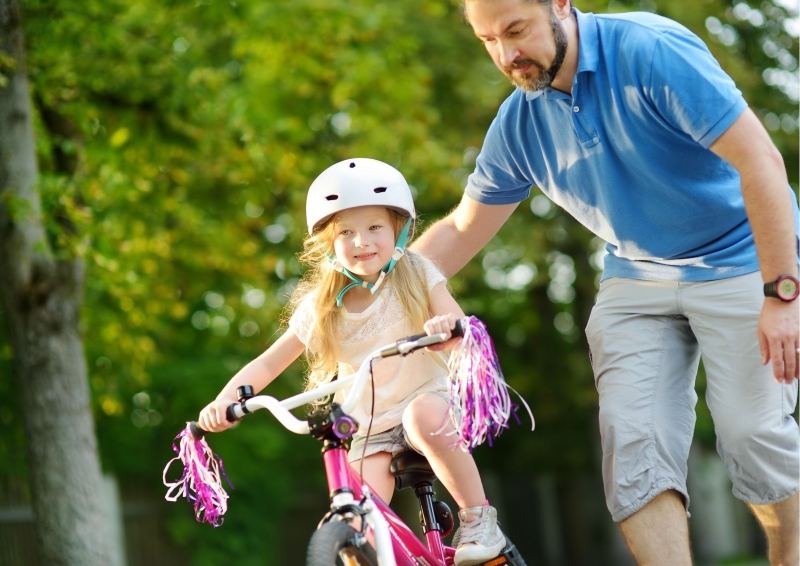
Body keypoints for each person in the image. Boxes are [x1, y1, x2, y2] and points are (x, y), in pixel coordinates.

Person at [412, 0, 800, 564]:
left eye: (516, 31)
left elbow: (761, 160)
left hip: (743, 258)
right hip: (637, 277)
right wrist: (367, 294)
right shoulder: (521, 123)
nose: (507, 54)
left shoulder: (648, 51)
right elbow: (463, 229)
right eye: (488, 41)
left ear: (561, 6)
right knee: (634, 448)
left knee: (751, 436)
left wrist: (782, 293)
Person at [198, 157, 508, 565]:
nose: (362, 241)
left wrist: (447, 329)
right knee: (357, 507)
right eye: (347, 232)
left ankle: (477, 518)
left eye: (375, 228)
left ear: (399, 230)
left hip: (426, 402)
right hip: (369, 425)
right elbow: (269, 363)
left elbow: (455, 324)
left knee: (422, 419)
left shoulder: (417, 273)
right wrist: (225, 400)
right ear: (329, 244)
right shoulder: (322, 305)